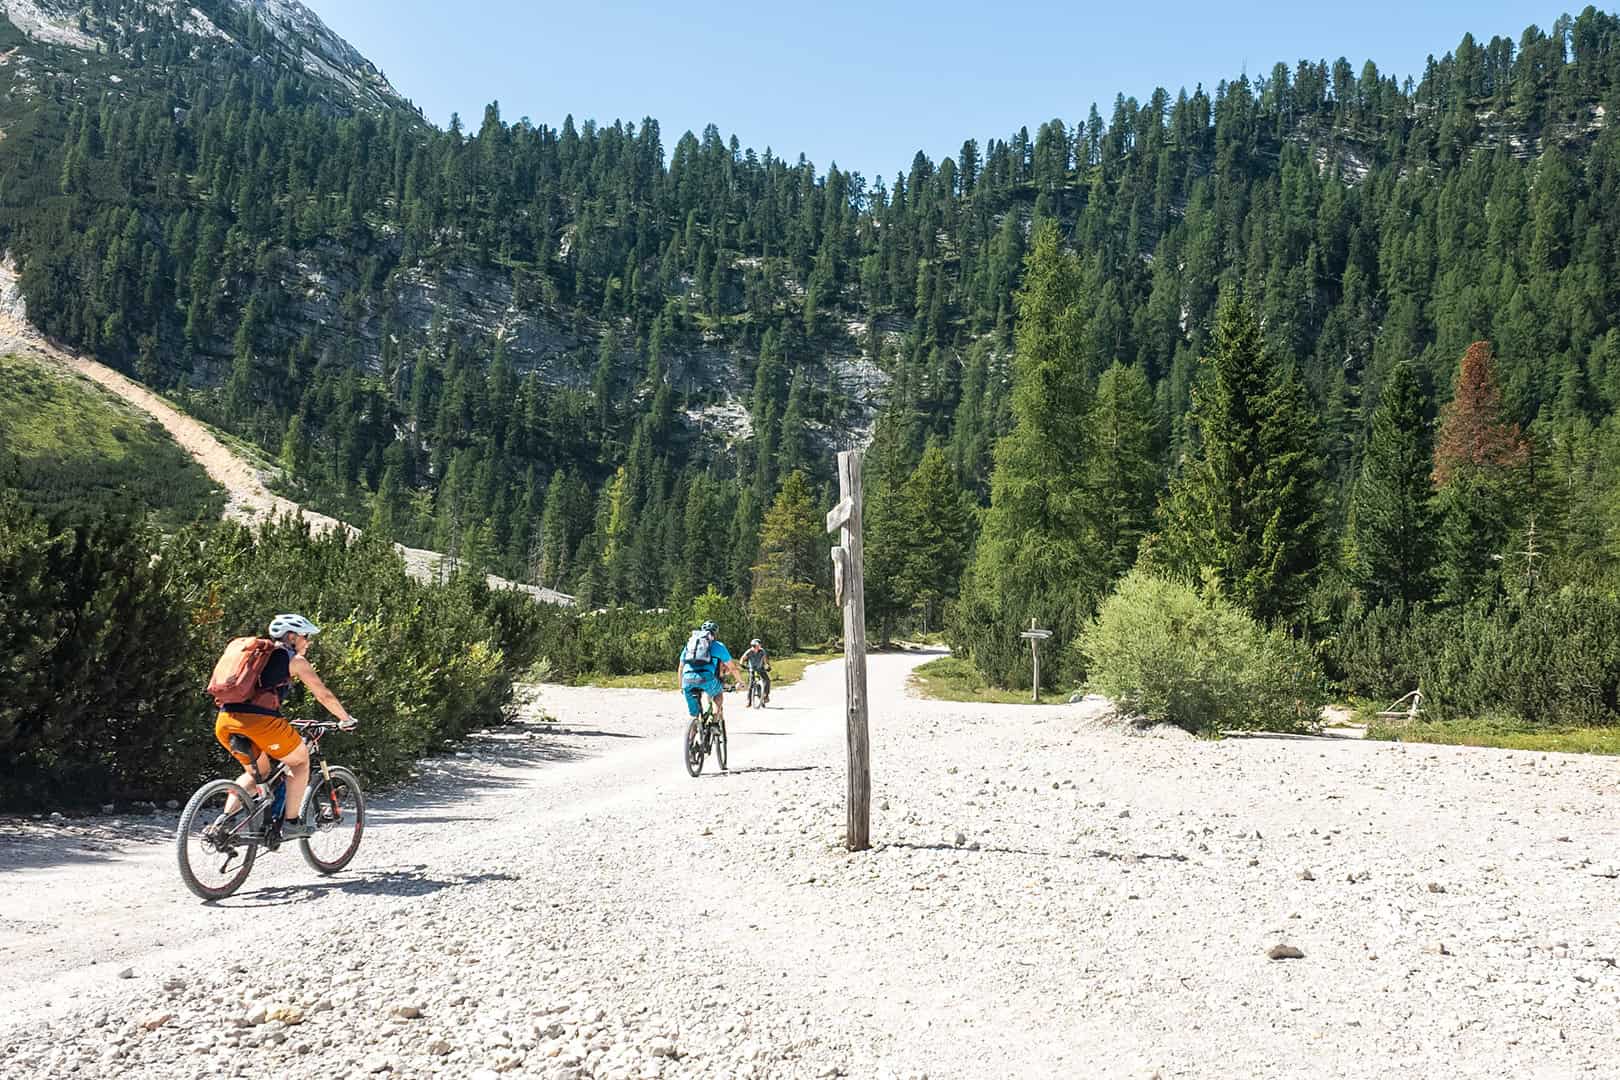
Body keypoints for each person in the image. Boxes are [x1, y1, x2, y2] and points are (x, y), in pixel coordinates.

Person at [214, 614, 354, 843]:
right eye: (305, 637)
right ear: (291, 637)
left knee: (258, 772)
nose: (308, 642)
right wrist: (345, 718)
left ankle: (223, 822)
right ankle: (291, 823)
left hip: (225, 721)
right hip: (260, 723)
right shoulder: (294, 660)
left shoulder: (253, 656)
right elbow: (323, 694)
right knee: (299, 762)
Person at [678, 620, 737, 726]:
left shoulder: (690, 645)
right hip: (706, 678)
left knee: (694, 715)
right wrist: (740, 681)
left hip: (686, 679)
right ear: (715, 633)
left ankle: (691, 736)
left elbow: (681, 666)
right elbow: (732, 668)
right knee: (718, 694)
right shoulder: (718, 646)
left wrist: (681, 686)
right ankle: (714, 723)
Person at [739, 638, 771, 705]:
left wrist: (768, 666)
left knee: (767, 680)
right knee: (751, 684)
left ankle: (766, 696)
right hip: (752, 669)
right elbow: (742, 659)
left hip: (761, 668)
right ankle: (749, 701)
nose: (757, 647)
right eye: (755, 646)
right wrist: (742, 665)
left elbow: (765, 660)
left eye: (758, 645)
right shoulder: (749, 652)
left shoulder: (762, 651)